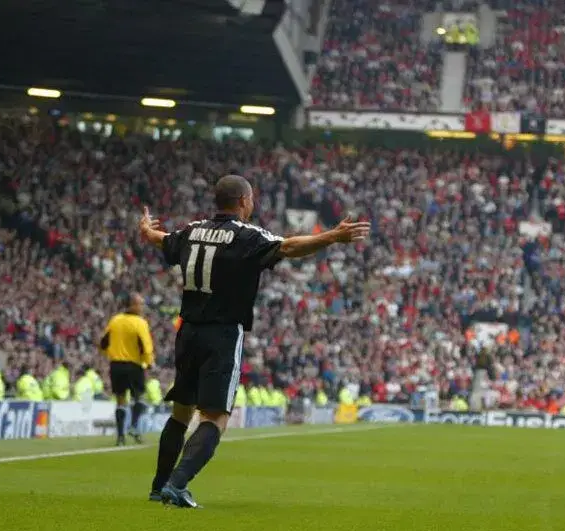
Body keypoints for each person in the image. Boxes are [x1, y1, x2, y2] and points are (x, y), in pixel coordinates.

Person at [138, 174, 370, 508]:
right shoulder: (246, 236)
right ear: (245, 200)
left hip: (187, 332)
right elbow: (288, 247)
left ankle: (159, 485)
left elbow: (162, 239)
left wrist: (145, 230)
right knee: (215, 418)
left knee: (181, 413)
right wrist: (332, 236)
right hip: (222, 333)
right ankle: (177, 484)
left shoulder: (191, 231)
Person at [99, 293, 155, 445]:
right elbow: (146, 346)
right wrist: (149, 362)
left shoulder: (115, 320)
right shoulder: (139, 322)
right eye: (140, 304)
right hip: (133, 365)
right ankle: (133, 426)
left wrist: (111, 354)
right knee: (139, 398)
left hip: (116, 365)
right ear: (132, 305)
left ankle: (120, 437)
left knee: (120, 400)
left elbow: (103, 343)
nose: (142, 307)